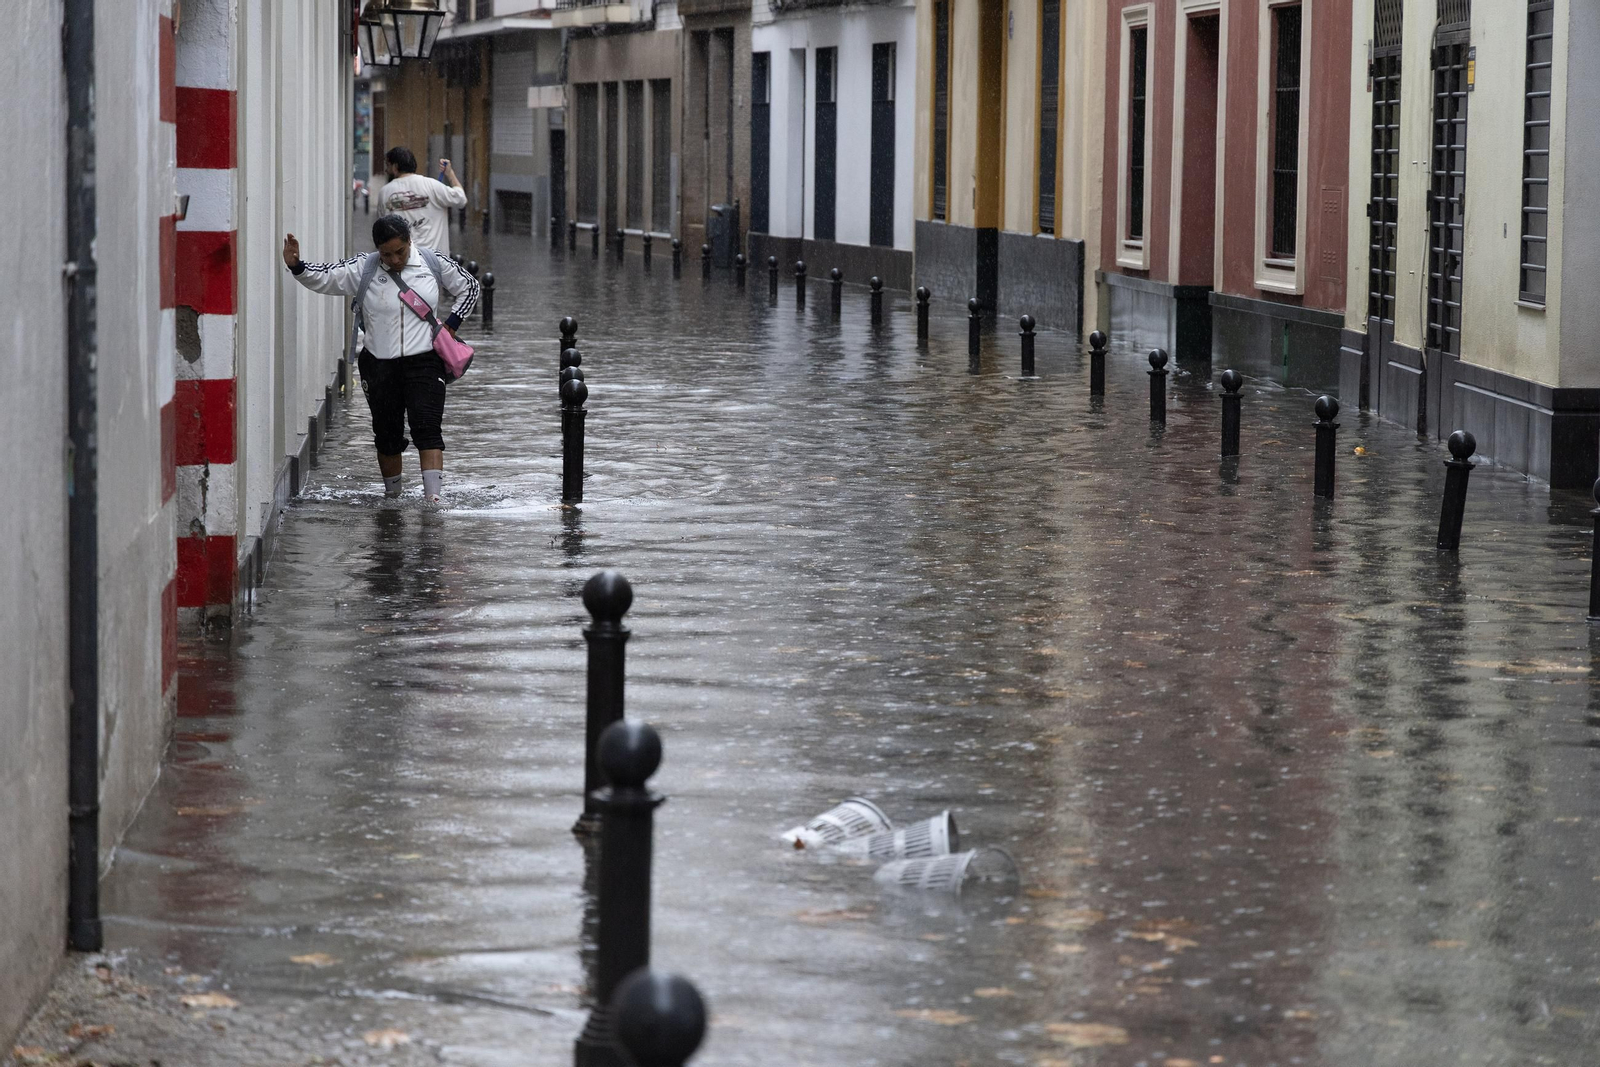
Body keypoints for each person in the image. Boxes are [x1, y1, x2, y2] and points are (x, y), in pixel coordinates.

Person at [282, 214, 479, 504]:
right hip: (379, 365)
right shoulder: (364, 267)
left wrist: (451, 324)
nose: (395, 259)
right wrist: (296, 266)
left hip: (425, 361)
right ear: (377, 249)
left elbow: (470, 287)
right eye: (387, 254)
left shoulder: (432, 262)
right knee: (387, 435)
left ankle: (433, 503)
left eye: (400, 251)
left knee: (428, 428)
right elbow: (325, 277)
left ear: (410, 241)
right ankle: (393, 498)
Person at [378, 146, 468, 255]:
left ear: (395, 167)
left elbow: (382, 230)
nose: (386, 170)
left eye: (388, 166)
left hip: (403, 264)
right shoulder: (432, 186)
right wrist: (450, 174)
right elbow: (461, 199)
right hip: (434, 262)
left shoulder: (385, 192)